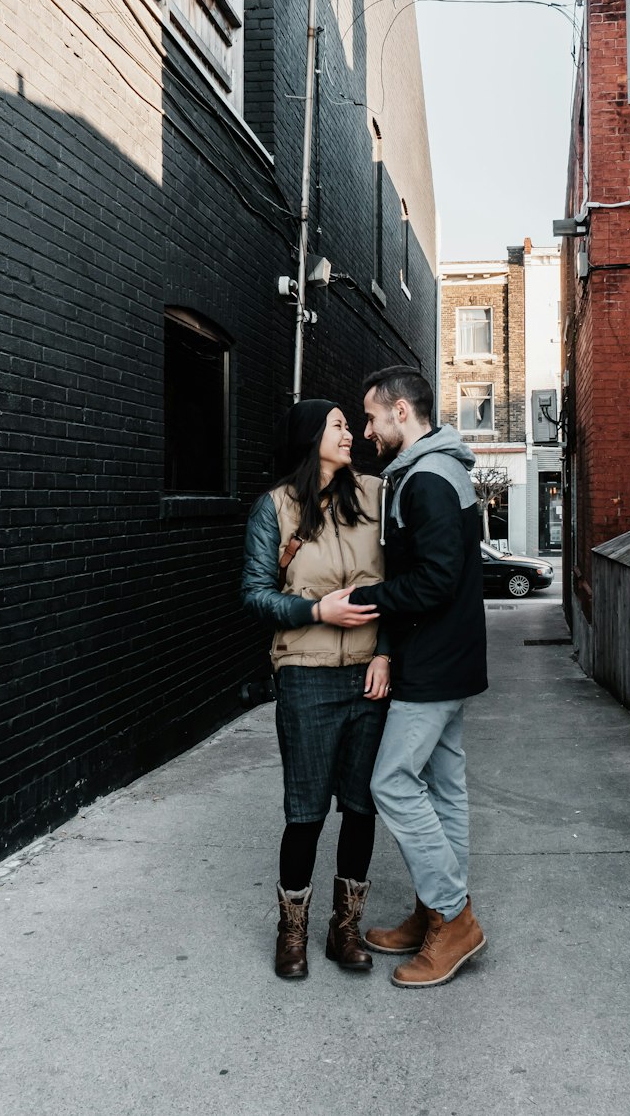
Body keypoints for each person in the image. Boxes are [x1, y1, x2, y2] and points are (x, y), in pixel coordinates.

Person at [241, 399, 392, 980]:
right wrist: (316, 609)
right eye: (338, 425)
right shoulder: (275, 508)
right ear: (310, 436)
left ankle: (344, 926)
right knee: (305, 813)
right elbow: (255, 594)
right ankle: (293, 929)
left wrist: (387, 653)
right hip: (305, 674)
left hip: (370, 677)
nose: (351, 433)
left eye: (351, 425)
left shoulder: (377, 495)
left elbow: (403, 586)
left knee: (360, 808)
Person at [348, 365, 489, 988]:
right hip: (449, 658)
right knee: (446, 788)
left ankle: (453, 919)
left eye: (373, 416)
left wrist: (374, 595)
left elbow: (435, 579)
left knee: (393, 783)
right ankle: (435, 911)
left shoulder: (425, 479)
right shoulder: (441, 469)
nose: (367, 428)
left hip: (430, 662)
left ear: (402, 412)